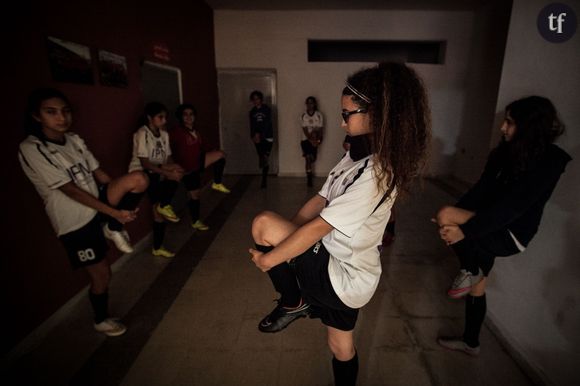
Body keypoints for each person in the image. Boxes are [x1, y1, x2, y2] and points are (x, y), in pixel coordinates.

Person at [249, 63, 430, 386]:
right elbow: (319, 200)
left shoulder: (376, 171)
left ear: (377, 115)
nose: (343, 122)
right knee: (340, 346)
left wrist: (269, 259)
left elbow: (319, 227)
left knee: (263, 223)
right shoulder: (357, 155)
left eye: (348, 115)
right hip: (352, 275)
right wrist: (284, 239)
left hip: (340, 275)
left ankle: (293, 301)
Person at [433, 96, 571, 356]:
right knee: (477, 284)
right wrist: (460, 213)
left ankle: (470, 267)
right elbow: (482, 189)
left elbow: (511, 210)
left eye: (509, 123)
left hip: (510, 233)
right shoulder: (506, 152)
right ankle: (471, 342)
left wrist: (464, 227)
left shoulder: (547, 163)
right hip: (489, 221)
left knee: (446, 216)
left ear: (529, 127)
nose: (502, 128)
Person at [18, 88, 149, 336]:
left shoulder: (74, 139)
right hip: (75, 220)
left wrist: (119, 204)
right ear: (37, 116)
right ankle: (101, 319)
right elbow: (71, 191)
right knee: (102, 275)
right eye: (51, 112)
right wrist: (113, 211)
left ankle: (111, 228)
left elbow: (99, 173)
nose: (61, 118)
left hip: (99, 206)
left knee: (139, 179)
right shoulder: (32, 148)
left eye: (65, 111)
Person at [129, 102, 184, 258]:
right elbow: (145, 162)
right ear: (149, 118)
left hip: (158, 168)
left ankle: (163, 205)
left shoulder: (164, 134)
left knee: (178, 172)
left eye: (165, 117)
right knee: (157, 212)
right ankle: (163, 206)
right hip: (143, 172)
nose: (164, 121)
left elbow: (168, 157)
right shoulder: (142, 133)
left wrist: (172, 167)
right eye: (160, 117)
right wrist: (166, 173)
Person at [170, 103, 230, 231]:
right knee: (195, 195)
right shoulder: (177, 131)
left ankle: (217, 182)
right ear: (181, 117)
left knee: (221, 154)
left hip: (197, 163)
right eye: (185, 115)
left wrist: (212, 150)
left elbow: (202, 146)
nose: (188, 117)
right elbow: (169, 147)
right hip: (186, 167)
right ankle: (195, 220)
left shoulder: (196, 131)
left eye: (191, 114)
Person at [249, 90, 273, 188]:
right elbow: (252, 125)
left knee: (265, 156)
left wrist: (260, 134)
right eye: (254, 99)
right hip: (257, 138)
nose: (256, 101)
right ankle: (264, 179)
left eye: (257, 99)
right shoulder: (252, 112)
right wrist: (253, 136)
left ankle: (264, 178)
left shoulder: (266, 109)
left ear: (261, 99)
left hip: (267, 136)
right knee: (262, 157)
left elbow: (267, 123)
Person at [300, 96, 324, 187]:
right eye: (308, 103)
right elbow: (305, 130)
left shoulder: (319, 115)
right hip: (305, 140)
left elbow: (321, 129)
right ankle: (309, 178)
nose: (310, 105)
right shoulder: (304, 115)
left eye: (311, 103)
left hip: (315, 139)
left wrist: (318, 140)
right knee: (307, 158)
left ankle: (310, 173)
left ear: (314, 104)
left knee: (313, 159)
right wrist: (310, 140)